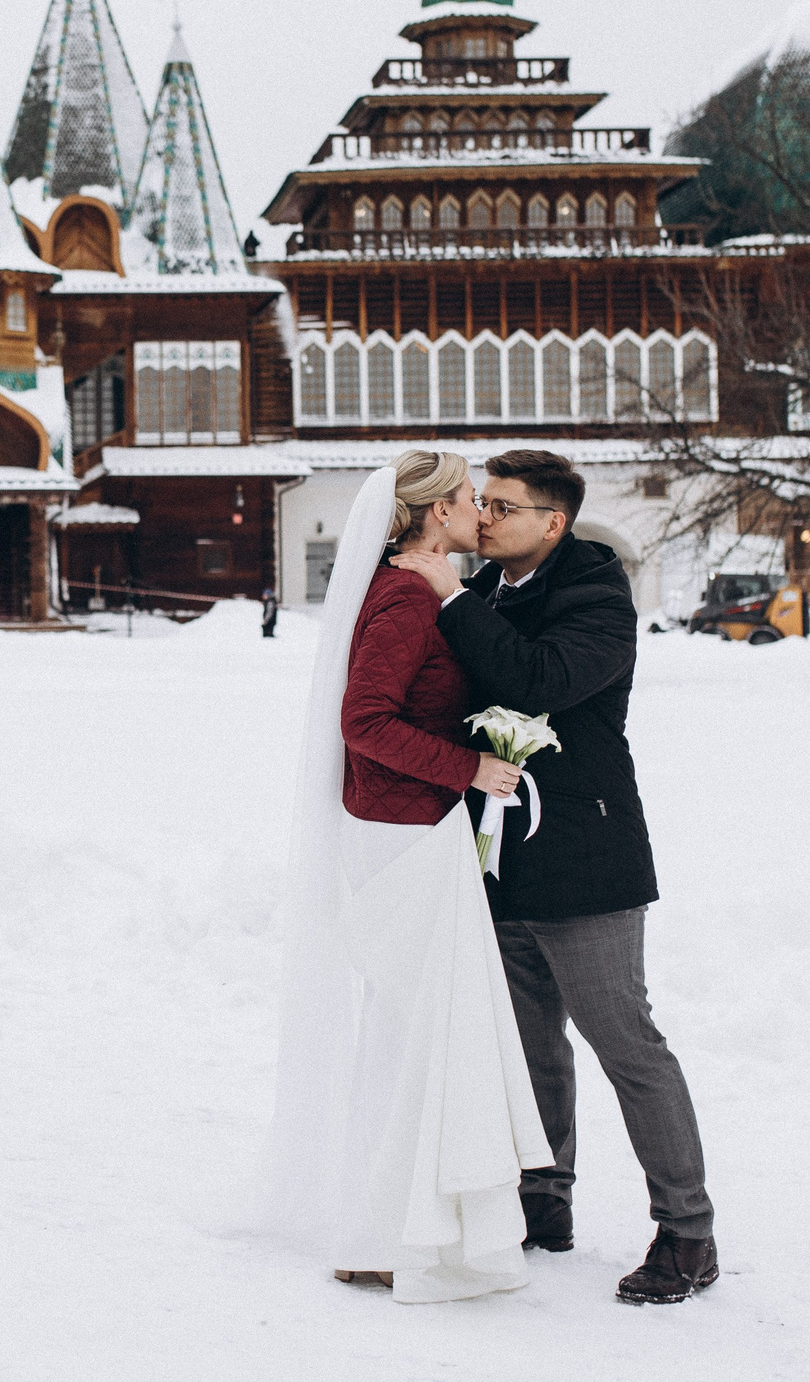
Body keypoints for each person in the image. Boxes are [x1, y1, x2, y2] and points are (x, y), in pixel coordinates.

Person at [392, 449, 718, 1306]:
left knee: (627, 1045)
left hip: (588, 859)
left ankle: (688, 1230)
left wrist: (452, 600)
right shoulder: (493, 588)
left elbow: (537, 681)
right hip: (500, 863)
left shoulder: (597, 594)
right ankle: (545, 1199)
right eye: (483, 503)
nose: (485, 516)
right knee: (529, 1046)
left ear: (553, 522)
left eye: (502, 505)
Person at [262, 451, 554, 1304]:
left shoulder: (427, 589)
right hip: (400, 835)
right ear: (431, 514)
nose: (479, 510)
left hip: (411, 828)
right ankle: (387, 1231)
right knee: (413, 1032)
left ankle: (384, 1226)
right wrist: (469, 768)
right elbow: (365, 720)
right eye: (468, 498)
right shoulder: (401, 596)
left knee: (416, 1030)